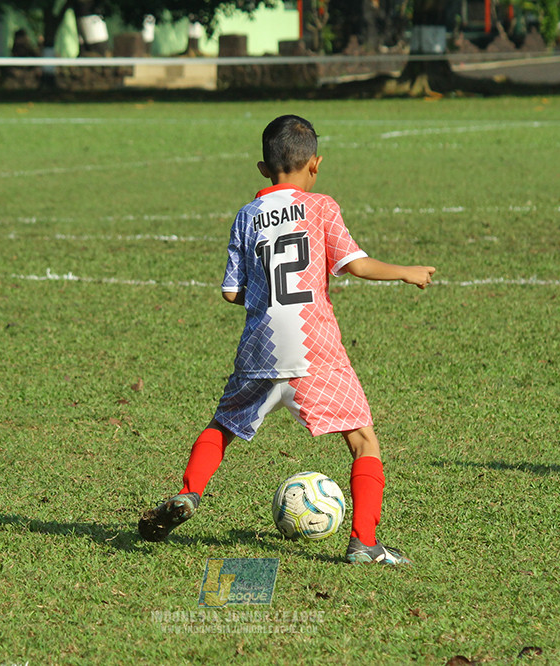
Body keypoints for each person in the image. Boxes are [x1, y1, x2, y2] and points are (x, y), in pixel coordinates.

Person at [138, 115, 436, 565]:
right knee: (363, 441)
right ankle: (364, 544)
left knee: (222, 427)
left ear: (263, 168)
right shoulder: (321, 207)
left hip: (260, 346)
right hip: (314, 348)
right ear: (315, 165)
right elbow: (355, 264)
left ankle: (189, 493)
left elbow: (231, 292)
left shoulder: (246, 215)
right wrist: (407, 272)